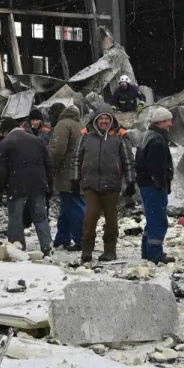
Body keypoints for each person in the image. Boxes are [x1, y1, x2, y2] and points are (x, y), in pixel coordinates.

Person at [76, 106, 134, 263]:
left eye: (107, 119)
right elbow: (77, 158)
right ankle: (87, 250)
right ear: (95, 120)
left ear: (112, 120)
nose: (104, 121)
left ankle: (110, 251)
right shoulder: (86, 135)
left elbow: (128, 160)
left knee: (111, 221)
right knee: (90, 217)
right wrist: (75, 179)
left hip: (112, 184)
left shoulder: (120, 136)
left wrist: (130, 182)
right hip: (91, 185)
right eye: (101, 118)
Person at [0, 115, 55, 254]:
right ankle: (47, 247)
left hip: (17, 186)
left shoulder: (5, 143)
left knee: (16, 219)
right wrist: (49, 186)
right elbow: (48, 165)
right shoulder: (37, 140)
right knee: (40, 217)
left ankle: (18, 249)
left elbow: (1, 170)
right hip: (39, 184)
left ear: (6, 131)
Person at [135, 106, 176, 264]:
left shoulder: (148, 135)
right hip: (153, 186)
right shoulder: (158, 140)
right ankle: (154, 255)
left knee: (152, 220)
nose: (170, 125)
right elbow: (156, 166)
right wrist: (161, 184)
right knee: (158, 221)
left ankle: (147, 251)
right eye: (169, 121)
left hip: (146, 185)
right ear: (162, 122)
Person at [49, 105, 85, 250]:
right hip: (79, 171)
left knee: (74, 206)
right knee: (67, 206)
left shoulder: (63, 125)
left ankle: (81, 239)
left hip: (67, 172)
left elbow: (57, 150)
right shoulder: (79, 123)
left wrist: (51, 167)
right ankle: (62, 238)